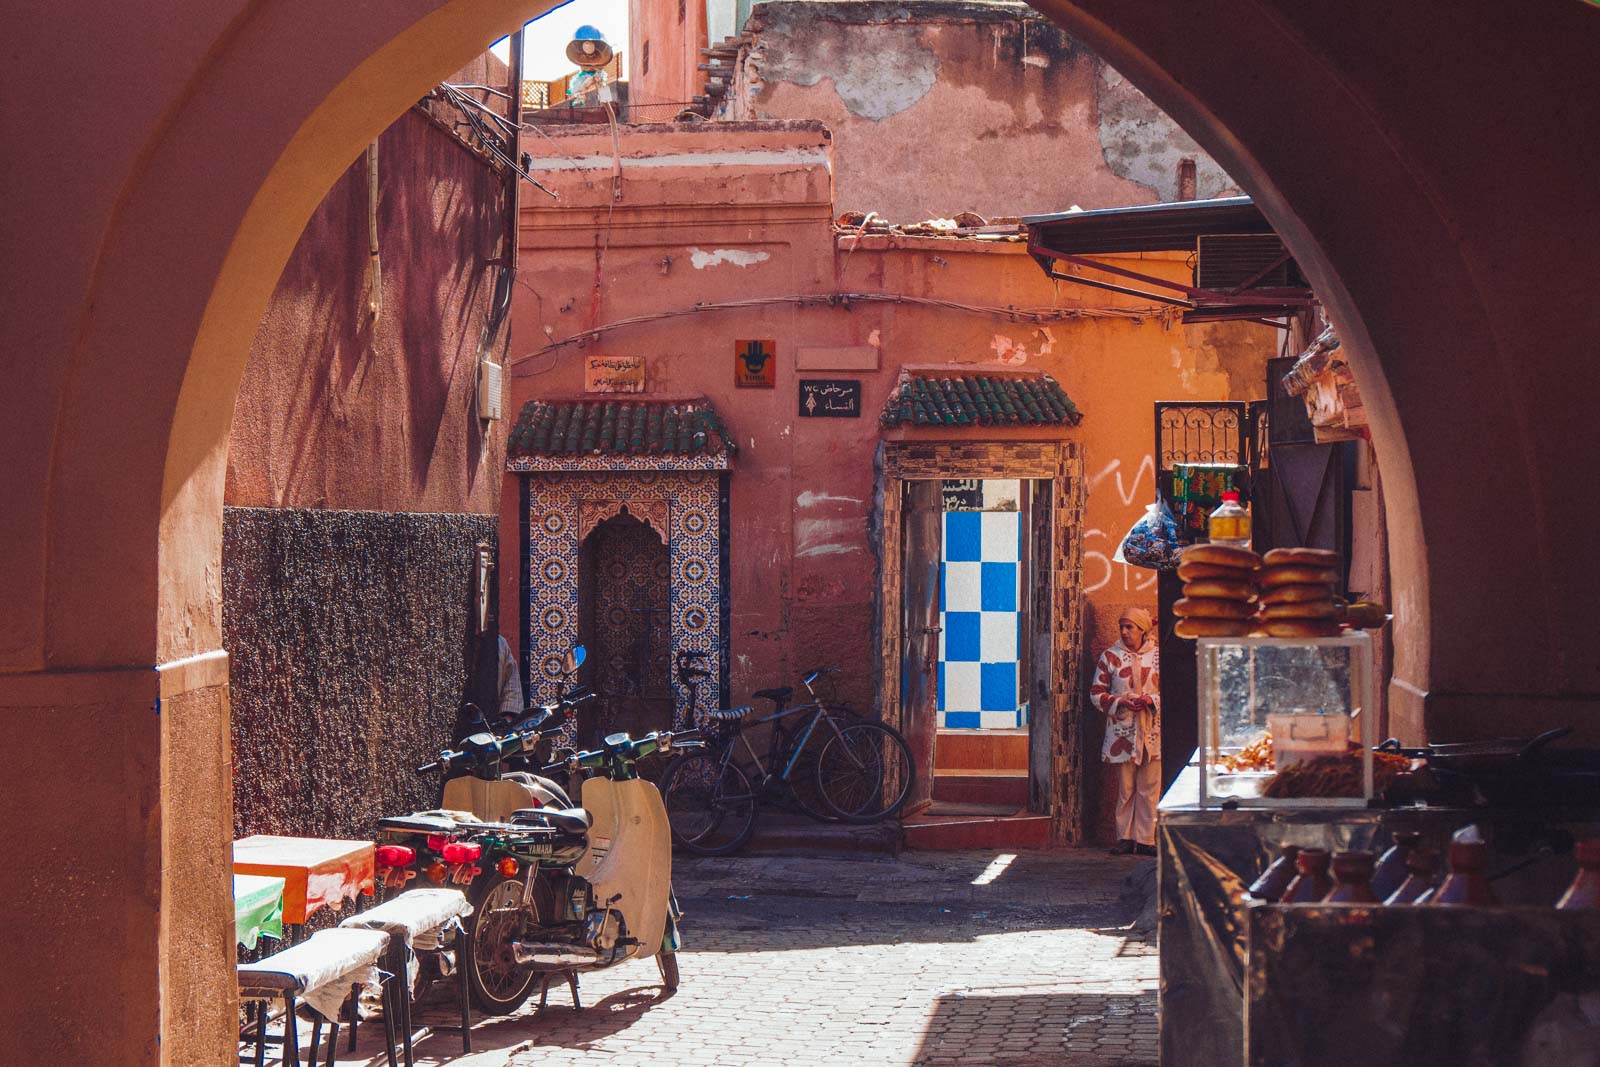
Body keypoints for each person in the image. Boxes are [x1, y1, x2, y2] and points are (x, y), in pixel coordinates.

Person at [1091, 607, 1161, 856]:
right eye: (1122, 626)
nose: (1124, 631)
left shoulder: (1157, 656)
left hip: (1152, 731)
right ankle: (1124, 837)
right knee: (1126, 787)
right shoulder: (1110, 657)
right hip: (1123, 732)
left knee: (1150, 787)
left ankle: (1146, 839)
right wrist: (1121, 701)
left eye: (1130, 627)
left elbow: (1170, 691)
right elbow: (1096, 694)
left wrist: (1151, 701)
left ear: (1142, 630)